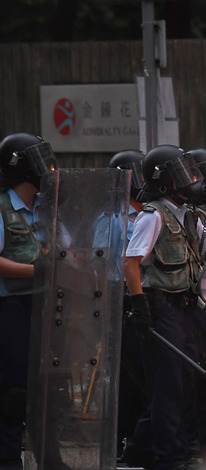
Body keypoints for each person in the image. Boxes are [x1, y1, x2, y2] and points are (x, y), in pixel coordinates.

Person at [124, 144, 206, 470]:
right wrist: (140, 306)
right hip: (163, 309)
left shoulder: (188, 216)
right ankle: (169, 459)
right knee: (168, 388)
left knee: (185, 385)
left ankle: (147, 453)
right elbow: (130, 264)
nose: (190, 179)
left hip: (187, 310)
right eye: (182, 172)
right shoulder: (153, 215)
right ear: (164, 179)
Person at [0, 133, 58, 470]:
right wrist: (37, 272)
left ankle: (50, 455)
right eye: (39, 160)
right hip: (14, 309)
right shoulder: (4, 208)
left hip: (45, 306)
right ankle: (8, 458)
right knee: (14, 390)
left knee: (50, 388)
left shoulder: (44, 208)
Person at [107, 149, 149, 462]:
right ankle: (122, 441)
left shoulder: (150, 214)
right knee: (128, 377)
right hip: (122, 302)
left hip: (148, 301)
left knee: (147, 377)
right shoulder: (112, 220)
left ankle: (141, 439)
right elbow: (109, 266)